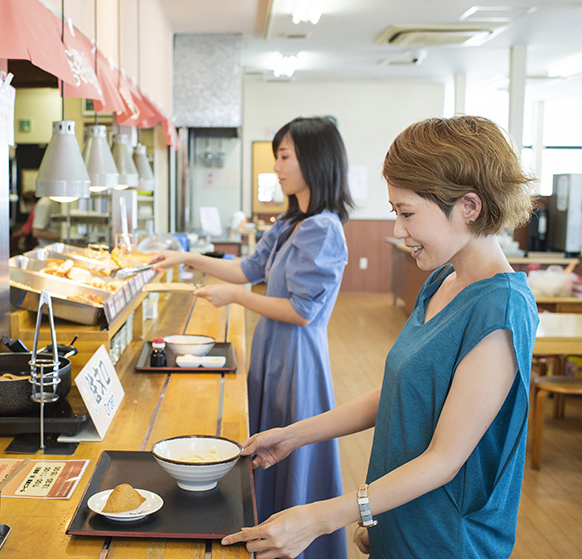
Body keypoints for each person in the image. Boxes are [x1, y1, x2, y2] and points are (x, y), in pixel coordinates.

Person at [221, 115, 539, 558]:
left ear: (469, 206)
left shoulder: (500, 308)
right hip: (400, 516)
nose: (397, 229)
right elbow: (396, 392)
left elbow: (444, 460)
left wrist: (324, 517)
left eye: (408, 213)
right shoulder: (441, 282)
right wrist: (294, 435)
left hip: (444, 541)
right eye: (394, 212)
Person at [148, 116, 354, 559]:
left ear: (315, 161)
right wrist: (186, 256)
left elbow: (302, 312)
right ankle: (265, 536)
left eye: (285, 156)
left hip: (297, 357)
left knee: (290, 450)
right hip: (272, 348)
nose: (277, 166)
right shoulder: (290, 222)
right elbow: (247, 269)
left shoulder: (323, 228)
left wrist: (237, 298)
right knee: (264, 445)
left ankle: (300, 545)